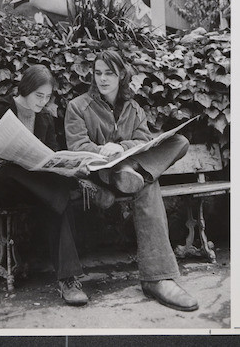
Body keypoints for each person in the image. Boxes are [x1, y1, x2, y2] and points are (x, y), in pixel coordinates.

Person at [64, 49, 199, 312]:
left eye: (109, 73)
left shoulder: (134, 108)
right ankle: (157, 279)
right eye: (98, 73)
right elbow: (76, 145)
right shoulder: (77, 106)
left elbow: (143, 141)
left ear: (121, 75)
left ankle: (128, 172)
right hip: (97, 175)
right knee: (148, 183)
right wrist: (104, 151)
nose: (102, 79)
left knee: (179, 143)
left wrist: (122, 149)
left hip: (131, 172)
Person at [0, 65, 90, 306]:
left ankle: (67, 278)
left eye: (47, 97)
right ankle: (68, 278)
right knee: (46, 187)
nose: (43, 102)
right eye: (39, 96)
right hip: (2, 186)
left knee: (54, 189)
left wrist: (67, 167)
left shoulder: (45, 117)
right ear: (26, 89)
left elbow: (51, 155)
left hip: (36, 189)